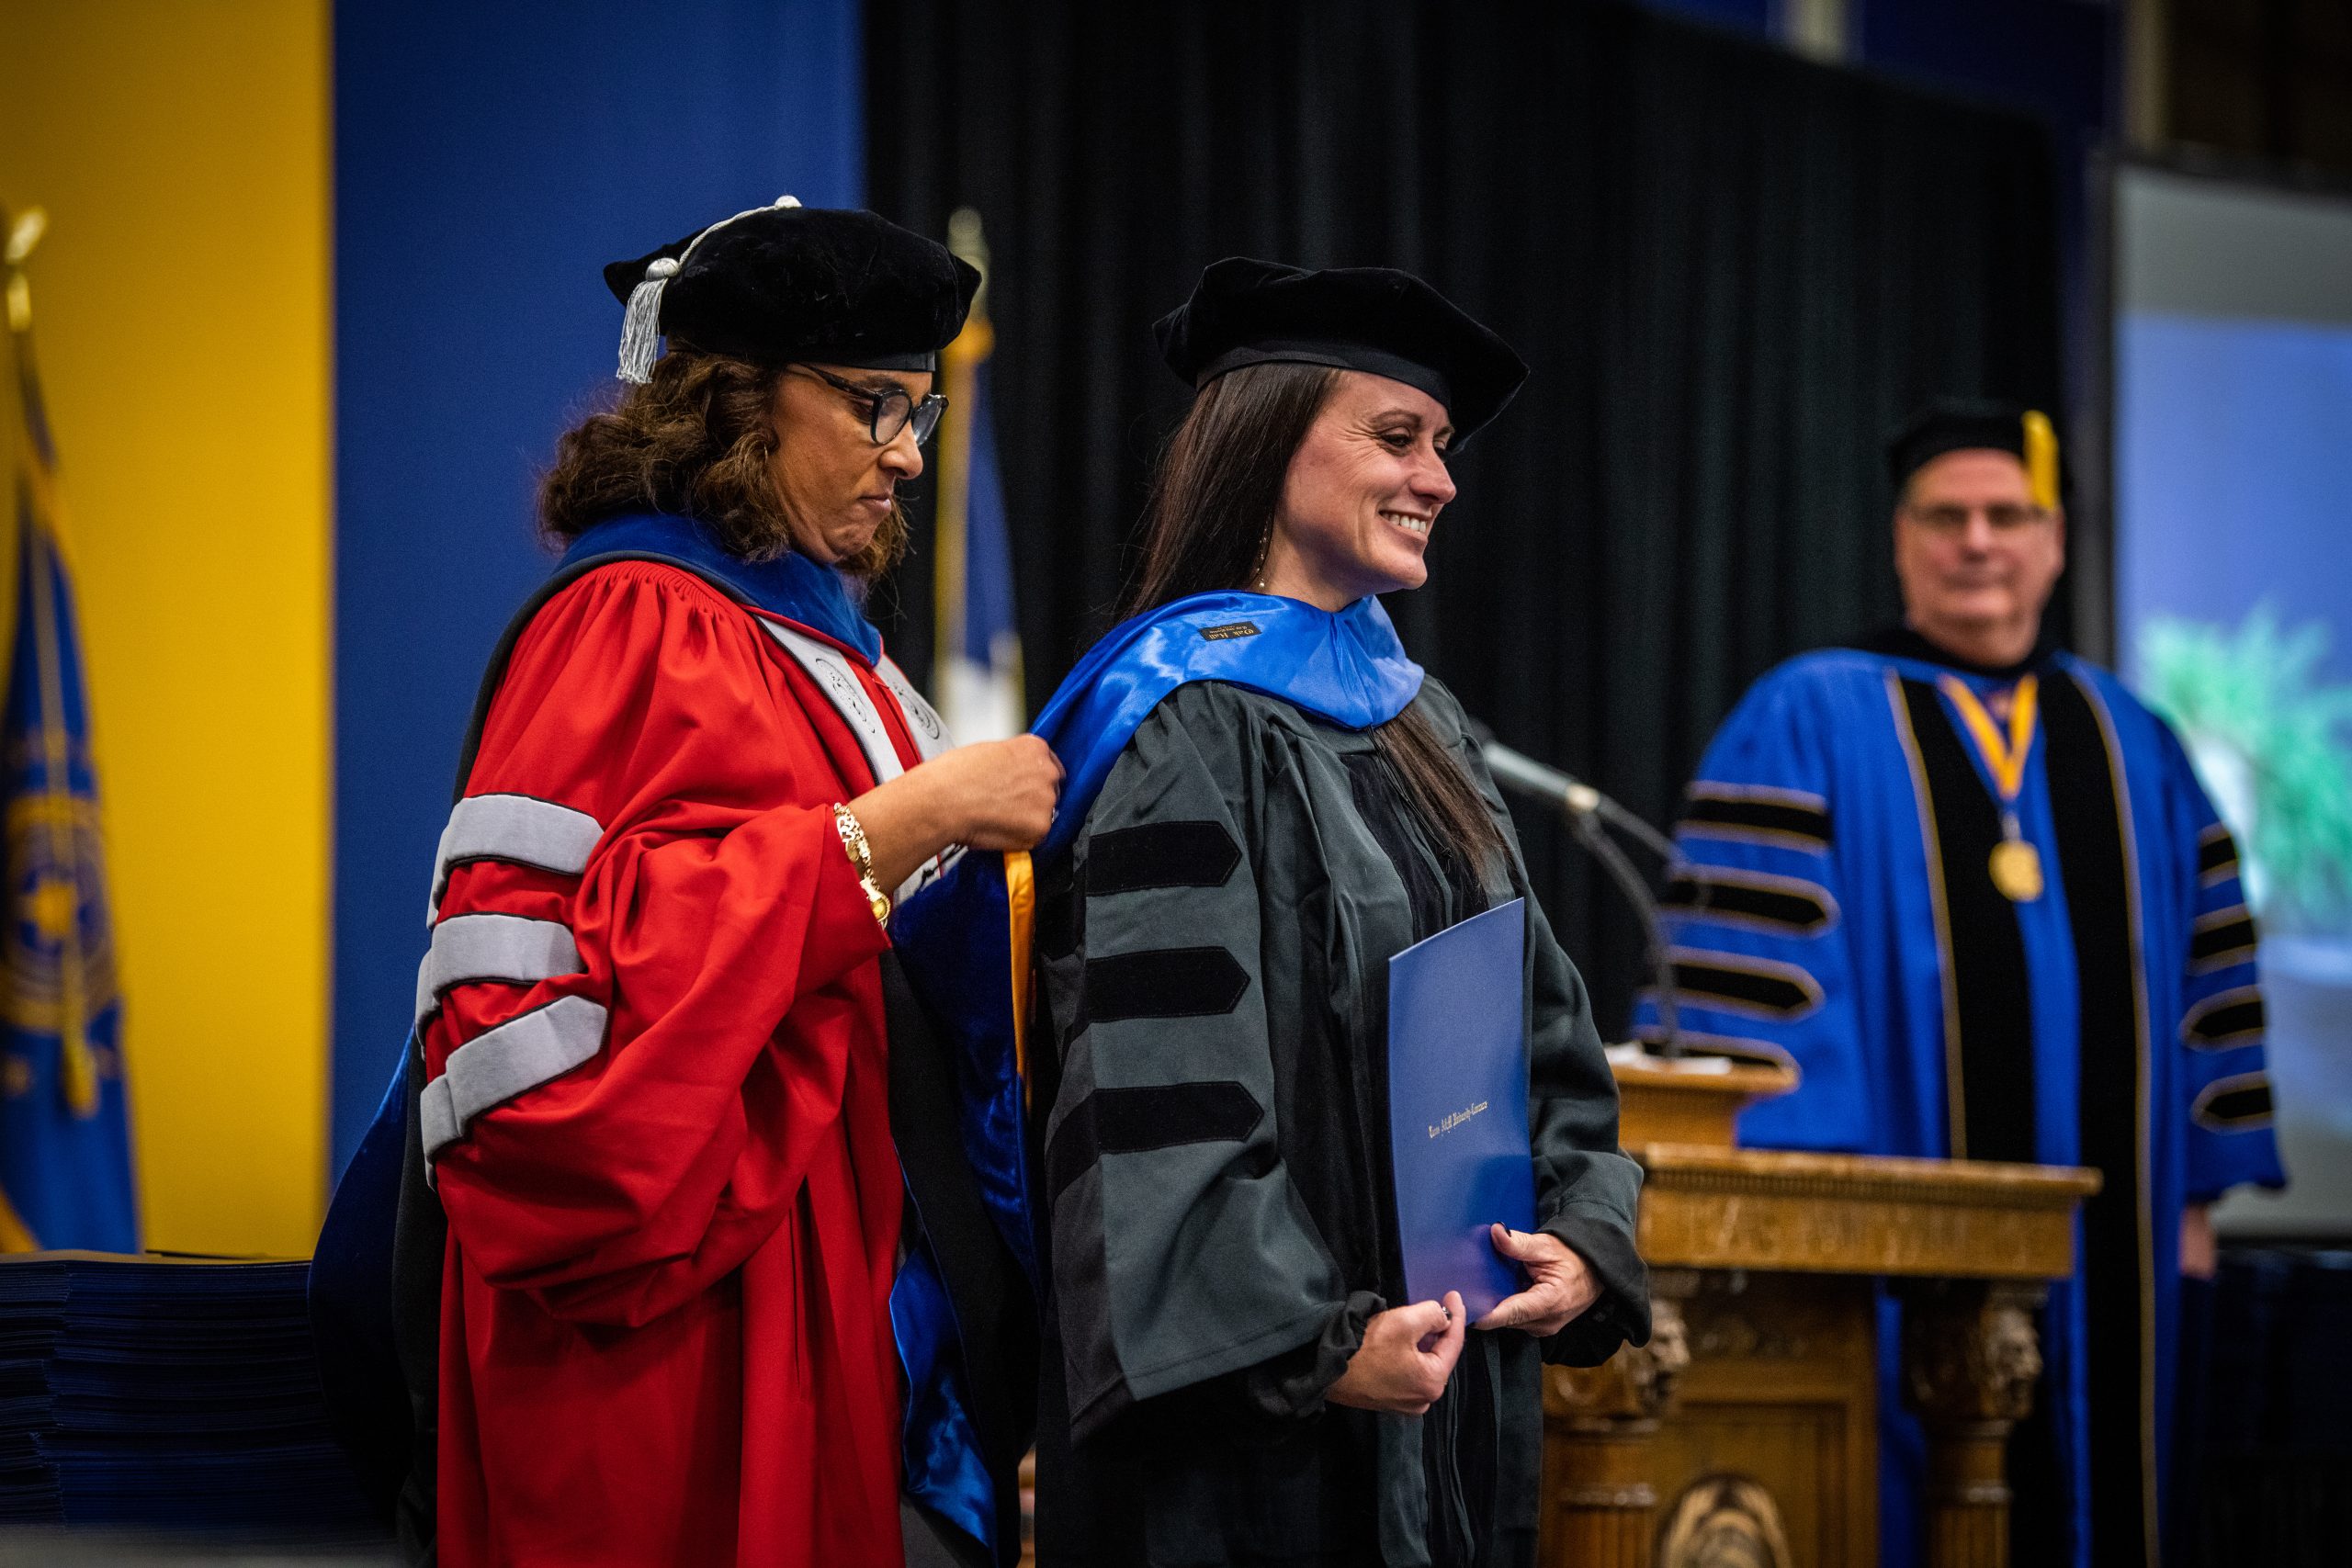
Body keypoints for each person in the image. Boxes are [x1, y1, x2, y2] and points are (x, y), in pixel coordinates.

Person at [324, 197, 1062, 1568]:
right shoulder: (629, 621)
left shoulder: (823, 644)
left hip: (831, 1303)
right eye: (874, 405)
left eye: (922, 414)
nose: (906, 455)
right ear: (737, 402)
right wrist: (894, 827)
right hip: (666, 1338)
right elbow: (530, 1007)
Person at [1016, 258, 1650, 1567]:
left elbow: (1546, 1027)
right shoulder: (1178, 724)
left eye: (1444, 445)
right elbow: (1158, 1096)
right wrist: (1311, 1343)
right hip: (1258, 1450)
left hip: (1446, 1400)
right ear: (1266, 438)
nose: (1441, 477)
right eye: (1397, 436)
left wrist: (1585, 1234)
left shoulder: (1426, 724)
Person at [1637, 399, 2286, 1568]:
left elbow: (2212, 991)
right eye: (1947, 518)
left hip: (2123, 1256)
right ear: (1900, 541)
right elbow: (1748, 1006)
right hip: (1888, 1267)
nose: (1977, 541)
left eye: (2007, 515)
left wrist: (2196, 1204)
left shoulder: (2134, 737)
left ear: (2053, 541)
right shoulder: (1808, 714)